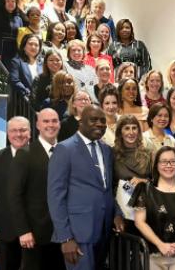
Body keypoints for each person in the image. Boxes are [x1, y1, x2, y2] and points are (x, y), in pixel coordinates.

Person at [48, 105, 124, 270]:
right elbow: (55, 197)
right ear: (80, 122)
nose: (99, 124)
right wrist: (66, 238)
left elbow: (106, 188)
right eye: (94, 120)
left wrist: (116, 213)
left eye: (103, 121)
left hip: (104, 230)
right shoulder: (64, 149)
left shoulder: (106, 150)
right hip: (78, 234)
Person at [8, 109, 65, 270]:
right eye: (46, 121)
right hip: (35, 235)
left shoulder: (67, 152)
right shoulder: (25, 154)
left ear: (59, 124)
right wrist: (23, 230)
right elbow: (14, 196)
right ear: (38, 125)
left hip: (63, 234)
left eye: (54, 121)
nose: (50, 125)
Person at [128, 146, 175, 270]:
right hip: (152, 254)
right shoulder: (144, 190)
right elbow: (139, 222)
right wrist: (160, 244)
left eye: (173, 161)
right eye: (164, 161)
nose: (169, 165)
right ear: (156, 165)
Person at [0, 116, 31, 270]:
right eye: (14, 131)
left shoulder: (42, 157)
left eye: (23, 130)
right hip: (3, 232)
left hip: (34, 232)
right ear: (8, 134)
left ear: (30, 132)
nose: (18, 134)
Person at [113, 115, 154, 229]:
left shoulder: (149, 154)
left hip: (146, 210)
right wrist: (116, 213)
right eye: (126, 128)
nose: (131, 132)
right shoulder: (112, 154)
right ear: (120, 132)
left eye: (134, 128)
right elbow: (109, 187)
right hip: (122, 212)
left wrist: (144, 181)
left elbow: (158, 182)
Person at [10, 34, 43, 98]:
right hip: (24, 101)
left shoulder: (42, 63)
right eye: (30, 44)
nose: (33, 47)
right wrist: (27, 92)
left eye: (36, 45)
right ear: (24, 46)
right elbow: (15, 81)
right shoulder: (16, 62)